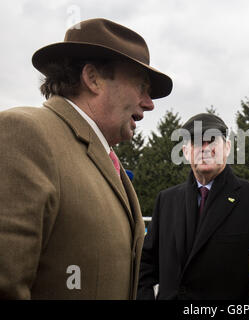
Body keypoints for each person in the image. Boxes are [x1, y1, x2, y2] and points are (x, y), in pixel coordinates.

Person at [0, 18, 172, 299]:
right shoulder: (23, 134)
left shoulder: (103, 157)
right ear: (93, 79)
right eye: (142, 87)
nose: (149, 103)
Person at [138, 113, 249, 299]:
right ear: (186, 151)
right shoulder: (166, 201)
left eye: (212, 142)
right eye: (197, 143)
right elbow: (146, 265)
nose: (205, 149)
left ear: (227, 148)